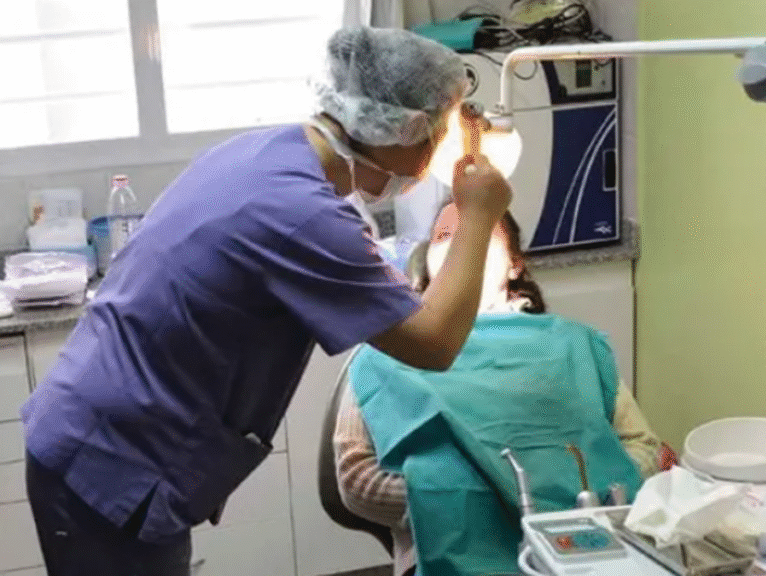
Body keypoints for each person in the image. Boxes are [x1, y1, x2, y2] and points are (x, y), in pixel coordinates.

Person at [20, 27, 512, 576]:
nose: (440, 148)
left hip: (100, 428)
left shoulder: (263, 153)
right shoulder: (302, 214)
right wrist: (477, 214)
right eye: (440, 132)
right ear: (404, 130)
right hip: (112, 463)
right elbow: (435, 343)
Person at [334, 203, 664, 576]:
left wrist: (585, 493)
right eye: (445, 236)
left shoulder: (577, 346)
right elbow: (356, 481)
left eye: (481, 233)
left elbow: (643, 448)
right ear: (427, 263)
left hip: (587, 545)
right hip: (442, 549)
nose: (460, 246)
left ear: (515, 264)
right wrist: (457, 499)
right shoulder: (387, 352)